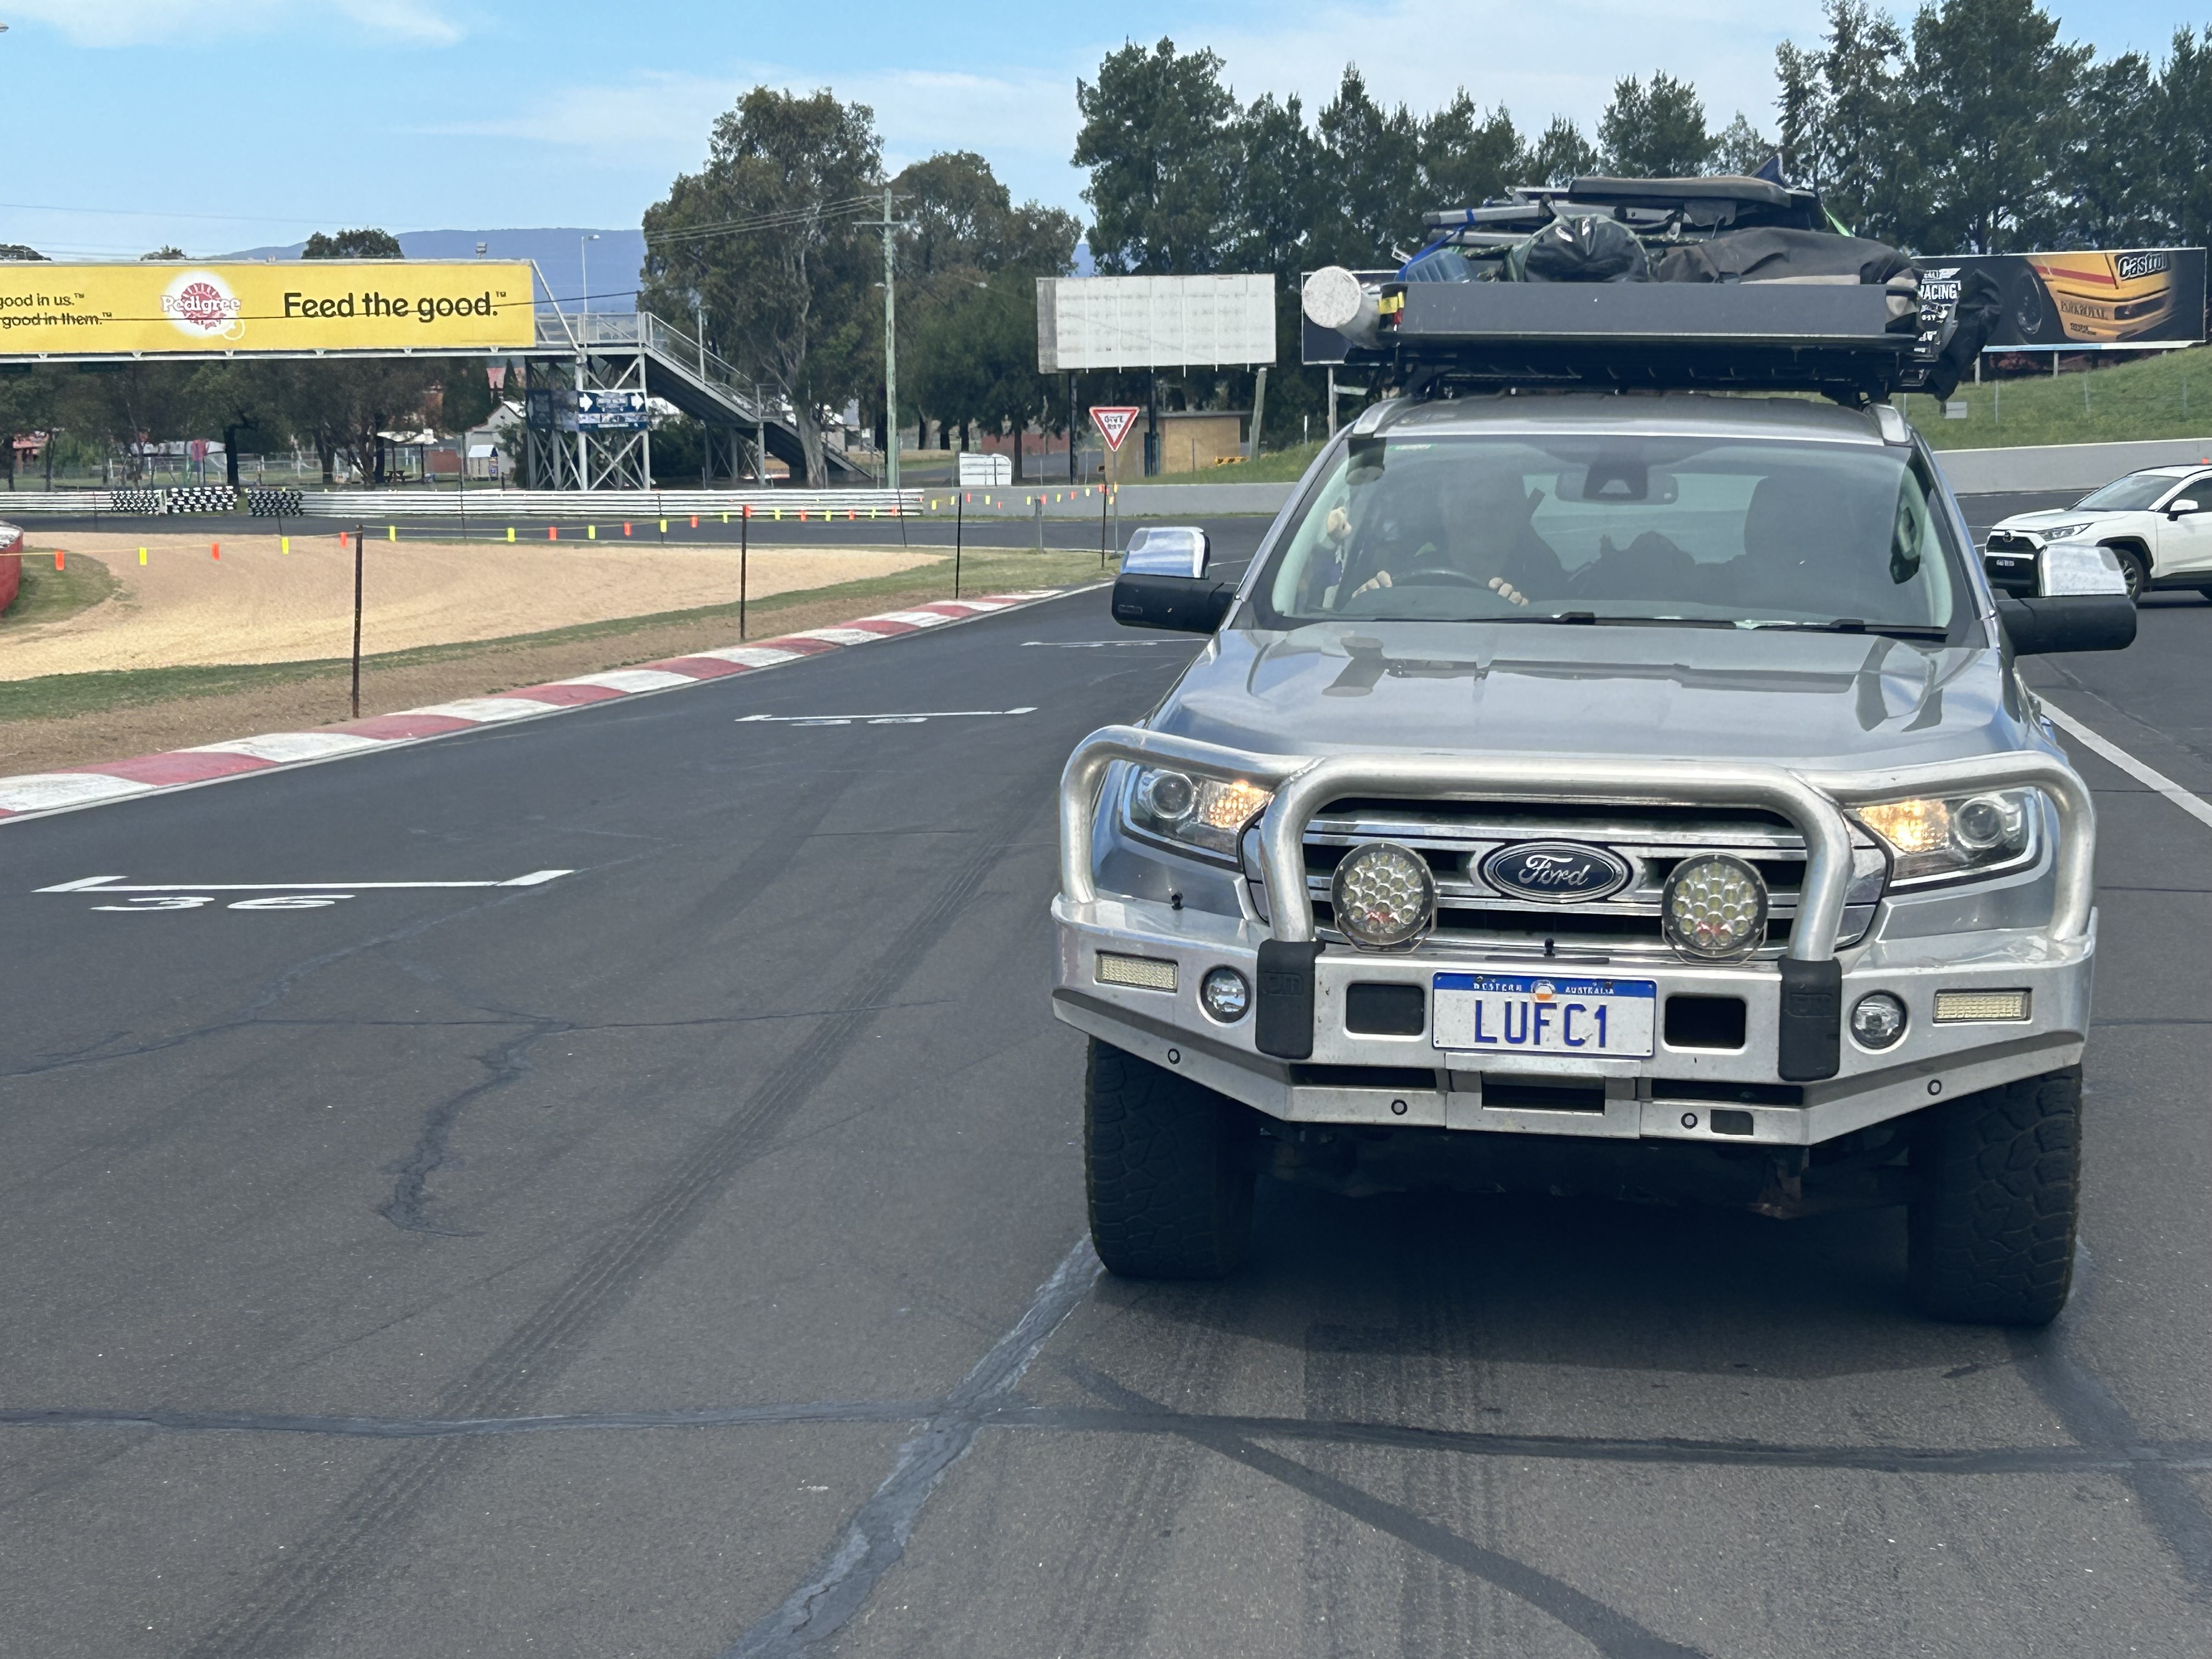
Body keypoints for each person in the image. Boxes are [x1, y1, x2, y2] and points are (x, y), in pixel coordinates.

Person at [1345, 462, 1564, 606]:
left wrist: (1526, 616)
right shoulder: (1401, 579)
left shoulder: (1547, 586)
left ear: (1518, 515)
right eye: (1471, 506)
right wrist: (1365, 602)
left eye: (1497, 507)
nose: (1482, 518)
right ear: (1446, 513)